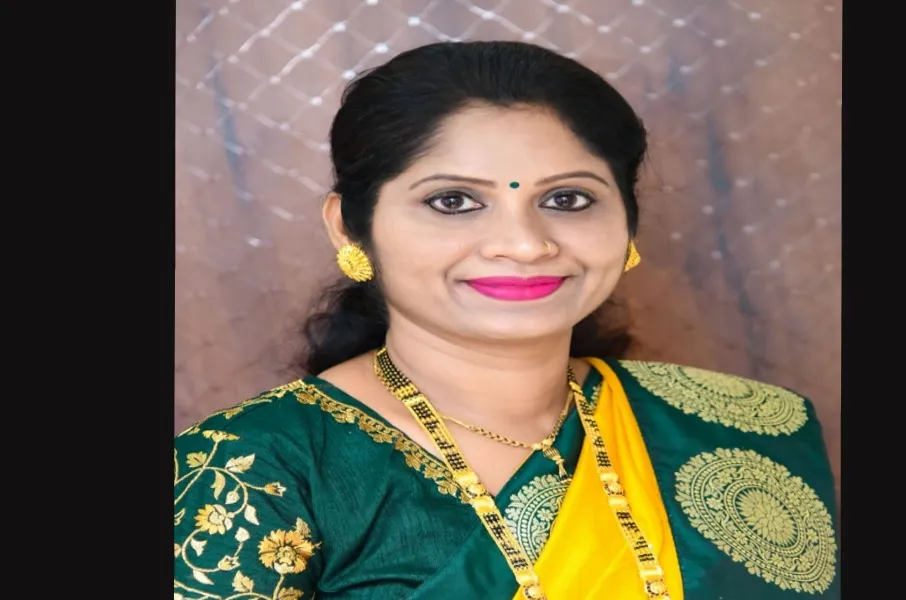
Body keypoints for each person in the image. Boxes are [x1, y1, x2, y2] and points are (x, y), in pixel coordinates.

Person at [173, 40, 839, 600]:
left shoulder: (747, 428)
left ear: (628, 223)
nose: (523, 244)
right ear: (349, 226)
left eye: (568, 199)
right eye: (454, 201)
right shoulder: (249, 468)